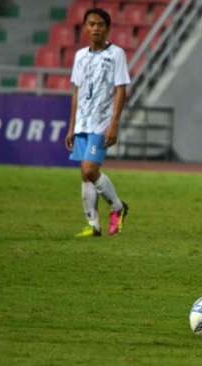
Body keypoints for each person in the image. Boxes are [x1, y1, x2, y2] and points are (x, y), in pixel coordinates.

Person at [64, 8, 130, 237]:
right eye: (91, 24)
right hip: (82, 122)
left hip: (101, 122)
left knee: (90, 169)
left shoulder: (116, 54)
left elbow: (121, 90)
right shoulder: (80, 55)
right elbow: (76, 91)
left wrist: (114, 124)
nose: (95, 28)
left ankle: (118, 207)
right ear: (85, 27)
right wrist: (71, 126)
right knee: (85, 174)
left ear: (107, 28)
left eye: (100, 24)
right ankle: (93, 225)